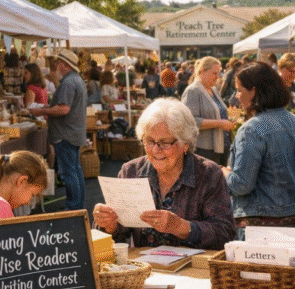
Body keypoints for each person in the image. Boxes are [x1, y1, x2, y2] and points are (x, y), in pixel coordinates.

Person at [93, 99, 235, 249]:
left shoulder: (208, 174)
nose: (155, 150)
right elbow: (118, 234)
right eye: (149, 141)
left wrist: (182, 227)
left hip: (193, 270)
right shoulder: (131, 171)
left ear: (185, 143)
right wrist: (109, 225)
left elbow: (225, 233)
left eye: (165, 142)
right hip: (145, 269)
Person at [223, 62, 295, 239]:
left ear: (254, 91)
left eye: (240, 90)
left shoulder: (251, 130)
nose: (237, 97)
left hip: (263, 228)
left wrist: (224, 174)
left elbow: (242, 184)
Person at [29, 48, 87, 210]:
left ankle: (74, 206)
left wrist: (41, 110)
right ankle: (78, 205)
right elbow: (63, 107)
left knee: (69, 171)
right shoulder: (76, 79)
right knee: (74, 169)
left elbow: (63, 109)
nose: (57, 66)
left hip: (66, 133)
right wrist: (48, 107)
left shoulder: (69, 82)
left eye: (59, 63)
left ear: (65, 65)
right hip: (72, 132)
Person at [181, 56, 235, 165]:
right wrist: (220, 123)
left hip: (221, 146)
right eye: (214, 73)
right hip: (204, 150)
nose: (218, 77)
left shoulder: (214, 90)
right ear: (202, 71)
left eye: (219, 73)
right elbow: (190, 121)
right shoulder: (193, 91)